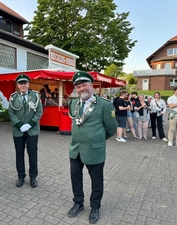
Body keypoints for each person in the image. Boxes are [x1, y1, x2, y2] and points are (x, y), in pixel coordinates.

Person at [67, 71, 117, 224]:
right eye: (78, 87)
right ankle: (78, 202)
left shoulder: (105, 105)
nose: (82, 89)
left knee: (96, 180)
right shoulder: (74, 103)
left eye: (84, 85)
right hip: (75, 149)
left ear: (91, 85)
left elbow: (111, 128)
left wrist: (97, 140)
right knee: (75, 177)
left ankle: (95, 207)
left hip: (95, 150)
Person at [8, 74, 43, 188]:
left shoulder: (35, 96)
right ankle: (21, 176)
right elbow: (11, 113)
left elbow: (39, 112)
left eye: (25, 83)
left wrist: (30, 124)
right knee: (19, 154)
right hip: (18, 131)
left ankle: (33, 177)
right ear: (18, 85)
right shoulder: (13, 97)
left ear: (28, 84)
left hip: (32, 130)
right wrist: (19, 125)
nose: (23, 85)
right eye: (20, 83)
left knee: (32, 154)